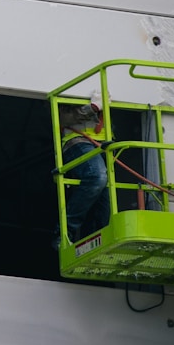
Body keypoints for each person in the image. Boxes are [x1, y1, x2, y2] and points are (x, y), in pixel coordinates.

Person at [57, 101, 110, 245]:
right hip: (77, 141)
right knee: (97, 177)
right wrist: (92, 108)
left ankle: (95, 243)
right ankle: (65, 232)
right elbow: (62, 118)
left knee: (104, 202)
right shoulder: (70, 85)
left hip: (105, 145)